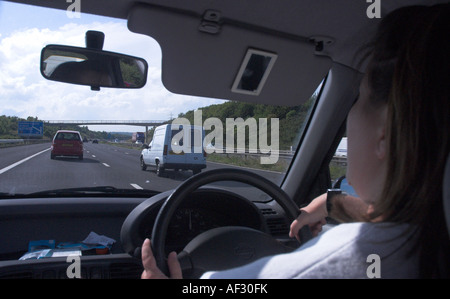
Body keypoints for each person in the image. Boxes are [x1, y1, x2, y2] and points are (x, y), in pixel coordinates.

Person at [141, 3, 450, 279]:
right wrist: (334, 202)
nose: (348, 117)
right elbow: (409, 219)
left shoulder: (331, 264)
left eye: (357, 100)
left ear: (385, 133)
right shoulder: (433, 237)